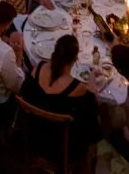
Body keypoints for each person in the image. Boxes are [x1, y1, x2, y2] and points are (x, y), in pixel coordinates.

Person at [20, 33, 100, 164]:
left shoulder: (38, 68)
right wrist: (91, 79)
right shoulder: (77, 87)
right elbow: (90, 117)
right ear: (75, 59)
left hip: (33, 134)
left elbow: (25, 92)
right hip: (60, 148)